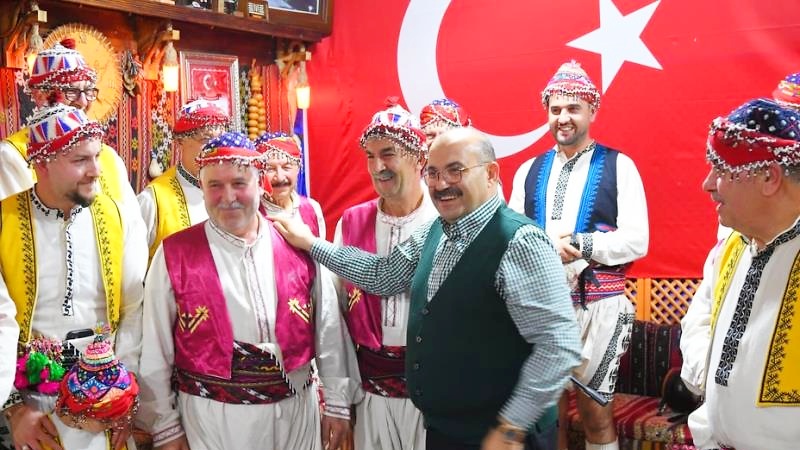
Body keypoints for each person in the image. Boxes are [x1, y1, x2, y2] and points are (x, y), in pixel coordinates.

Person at [274, 126, 581, 450]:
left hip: (500, 436)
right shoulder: (438, 230)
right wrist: (311, 243)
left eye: (455, 171)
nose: (441, 184)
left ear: (491, 174)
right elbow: (383, 274)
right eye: (433, 173)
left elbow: (559, 346)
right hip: (447, 430)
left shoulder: (519, 241)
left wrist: (511, 427)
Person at [137, 132, 357, 450]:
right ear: (202, 187)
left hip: (295, 416)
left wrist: (337, 405)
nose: (228, 197)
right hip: (212, 422)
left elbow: (329, 330)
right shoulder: (175, 254)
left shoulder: (297, 242)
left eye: (239, 183)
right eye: (215, 186)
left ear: (258, 183)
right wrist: (166, 428)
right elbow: (156, 350)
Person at [508, 60, 649, 450]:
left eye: (573, 109)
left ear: (592, 111)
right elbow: (513, 237)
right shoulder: (528, 170)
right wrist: (542, 247)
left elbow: (638, 240)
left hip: (599, 307)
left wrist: (582, 245)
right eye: (555, 110)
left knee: (595, 414)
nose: (563, 118)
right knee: (543, 418)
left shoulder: (620, 165)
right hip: (541, 306)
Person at [0, 104, 147, 450]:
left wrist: (126, 397)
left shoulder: (118, 215)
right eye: (80, 160)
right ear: (42, 164)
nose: (96, 170)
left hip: (109, 402)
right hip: (33, 409)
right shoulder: (4, 221)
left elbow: (135, 310)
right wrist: (13, 408)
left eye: (96, 157)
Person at [679, 97, 800, 450]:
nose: (708, 184)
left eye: (721, 169)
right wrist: (713, 381)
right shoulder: (732, 246)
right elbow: (699, 323)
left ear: (768, 177)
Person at [336, 103, 437, 450]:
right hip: (370, 392)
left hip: (435, 395)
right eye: (370, 156)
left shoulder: (444, 220)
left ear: (418, 158)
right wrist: (338, 398)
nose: (378, 167)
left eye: (388, 154)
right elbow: (333, 317)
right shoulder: (351, 222)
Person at [0, 39, 137, 208]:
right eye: (71, 91)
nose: (83, 102)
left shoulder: (109, 158)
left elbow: (134, 228)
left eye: (88, 91)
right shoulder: (11, 157)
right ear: (40, 96)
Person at [138, 99, 229, 259]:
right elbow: (133, 271)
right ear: (180, 142)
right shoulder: (153, 199)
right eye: (206, 140)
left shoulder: (232, 192)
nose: (214, 148)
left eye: (219, 139)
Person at [46, 331, 139, 450]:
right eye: (107, 420)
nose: (114, 425)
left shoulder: (113, 433)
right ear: (84, 414)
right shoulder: (47, 434)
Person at [254, 131, 326, 236]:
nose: (279, 177)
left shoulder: (312, 208)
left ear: (298, 169)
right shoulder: (253, 214)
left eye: (286, 168)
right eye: (270, 169)